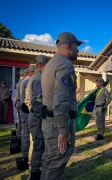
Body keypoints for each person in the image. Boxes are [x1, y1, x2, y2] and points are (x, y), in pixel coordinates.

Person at [41, 32, 84, 180]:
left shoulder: (50, 64)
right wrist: (64, 130)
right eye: (77, 47)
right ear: (69, 46)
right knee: (56, 164)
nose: (78, 50)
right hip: (58, 124)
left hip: (51, 121)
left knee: (49, 160)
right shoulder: (65, 65)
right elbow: (60, 100)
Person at [27, 55, 49, 180]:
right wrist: (41, 119)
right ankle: (35, 172)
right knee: (39, 145)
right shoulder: (39, 77)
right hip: (37, 116)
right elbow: (37, 100)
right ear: (44, 64)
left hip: (34, 115)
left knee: (37, 144)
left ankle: (35, 169)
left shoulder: (35, 76)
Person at [18, 65, 35, 168]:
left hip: (23, 106)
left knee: (24, 130)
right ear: (32, 72)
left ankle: (25, 153)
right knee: (28, 133)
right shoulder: (29, 81)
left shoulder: (23, 81)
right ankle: (27, 156)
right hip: (27, 109)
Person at [15, 69, 28, 145]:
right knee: (23, 124)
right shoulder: (25, 81)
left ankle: (19, 137)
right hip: (21, 103)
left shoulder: (21, 82)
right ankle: (20, 140)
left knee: (20, 122)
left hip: (19, 102)